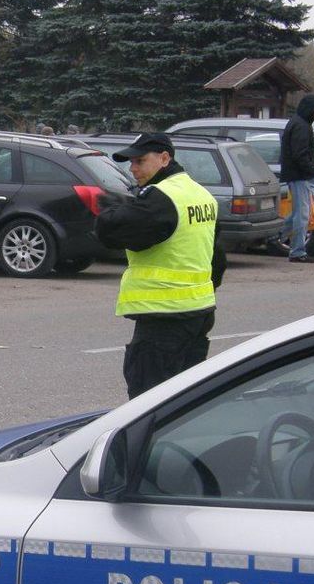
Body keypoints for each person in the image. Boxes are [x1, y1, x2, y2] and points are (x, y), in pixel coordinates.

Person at [95, 132, 225, 399]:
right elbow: (216, 258)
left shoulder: (161, 198)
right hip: (199, 312)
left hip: (165, 317)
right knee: (186, 398)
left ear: (164, 158)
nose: (133, 169)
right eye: (130, 162)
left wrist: (111, 210)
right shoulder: (200, 195)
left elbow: (111, 233)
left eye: (140, 161)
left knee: (148, 401)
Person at [277, 93, 314, 264]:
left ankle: (274, 236)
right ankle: (297, 252)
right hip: (299, 176)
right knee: (302, 214)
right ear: (309, 110)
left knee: (296, 214)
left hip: (295, 175)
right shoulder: (302, 126)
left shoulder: (297, 122)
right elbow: (300, 156)